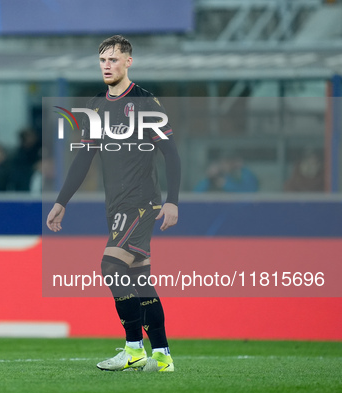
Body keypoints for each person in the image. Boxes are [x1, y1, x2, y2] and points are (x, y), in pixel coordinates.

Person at [46, 35, 180, 372]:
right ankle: (162, 355)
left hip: (142, 203)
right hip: (115, 205)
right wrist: (62, 201)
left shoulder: (146, 102)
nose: (107, 66)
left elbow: (171, 154)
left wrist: (172, 201)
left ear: (128, 62)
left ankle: (134, 347)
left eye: (114, 60)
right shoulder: (95, 106)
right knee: (139, 281)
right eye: (103, 60)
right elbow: (84, 157)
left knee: (111, 267)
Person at [194, 152, 258, 192]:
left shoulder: (239, 176)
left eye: (229, 162)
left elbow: (250, 191)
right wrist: (209, 178)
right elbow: (196, 196)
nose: (225, 166)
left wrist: (226, 184)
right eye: (222, 163)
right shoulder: (209, 181)